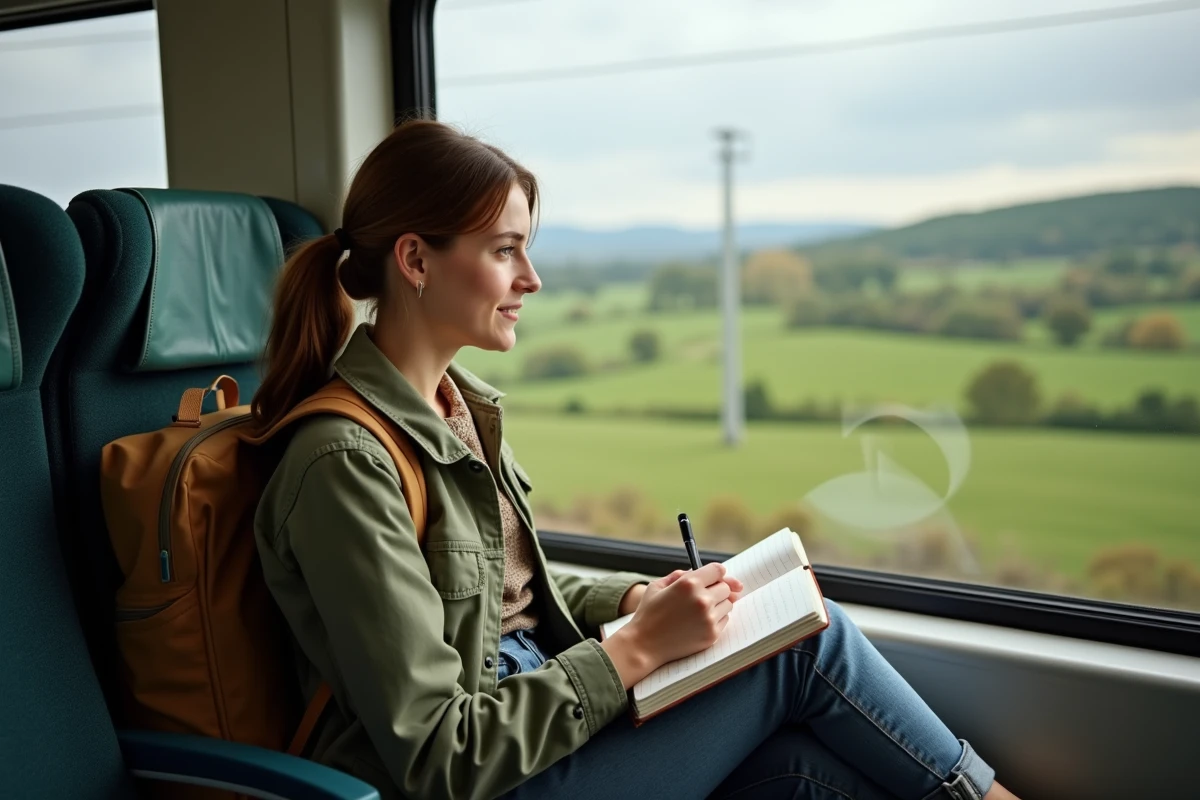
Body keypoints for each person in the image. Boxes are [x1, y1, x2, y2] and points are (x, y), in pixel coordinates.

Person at [250, 119, 1020, 800]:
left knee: (805, 771)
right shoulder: (344, 464)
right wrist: (640, 651)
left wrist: (635, 602)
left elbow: (502, 593)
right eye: (505, 251)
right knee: (804, 643)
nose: (532, 280)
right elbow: (440, 755)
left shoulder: (456, 410)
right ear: (416, 259)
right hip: (490, 775)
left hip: (537, 723)